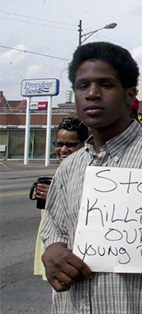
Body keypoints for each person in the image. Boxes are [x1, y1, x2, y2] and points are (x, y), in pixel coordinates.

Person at [40, 41, 142, 314]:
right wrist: (52, 252)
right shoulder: (69, 167)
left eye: (106, 85)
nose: (92, 94)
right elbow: (54, 229)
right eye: (82, 86)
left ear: (129, 94)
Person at [32, 116, 89, 280]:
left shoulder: (88, 170)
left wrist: (55, 195)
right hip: (52, 245)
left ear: (84, 144)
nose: (63, 149)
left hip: (71, 250)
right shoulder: (61, 170)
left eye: (70, 145)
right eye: (59, 144)